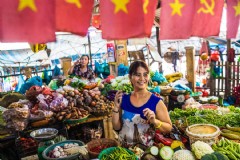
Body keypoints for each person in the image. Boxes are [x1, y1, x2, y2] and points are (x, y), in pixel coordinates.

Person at [112, 60, 172, 148]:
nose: (142, 79)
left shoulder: (156, 102)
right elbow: (117, 127)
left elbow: (169, 128)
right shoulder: (124, 99)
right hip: (125, 151)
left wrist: (155, 121)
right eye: (137, 75)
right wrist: (116, 108)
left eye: (145, 74)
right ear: (130, 77)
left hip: (146, 153)